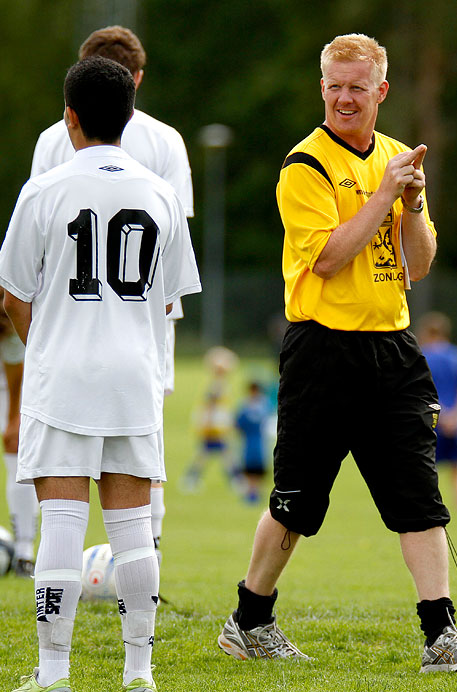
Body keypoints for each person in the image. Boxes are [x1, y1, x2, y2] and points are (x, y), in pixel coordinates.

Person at [216, 33, 457, 674]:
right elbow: (331, 259)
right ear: (322, 88)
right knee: (297, 502)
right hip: (322, 351)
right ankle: (250, 617)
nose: (345, 97)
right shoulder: (304, 166)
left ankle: (441, 634)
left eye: (357, 87)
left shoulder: (397, 159)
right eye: (335, 85)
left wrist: (414, 202)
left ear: (381, 91)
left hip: (394, 349)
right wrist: (383, 197)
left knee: (419, 497)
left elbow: (418, 264)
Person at [0, 56, 201, 692]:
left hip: (64, 379)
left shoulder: (44, 189)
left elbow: (12, 295)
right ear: (130, 115)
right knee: (135, 532)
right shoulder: (160, 191)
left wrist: (50, 342)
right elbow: (170, 298)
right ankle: (138, 673)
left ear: (70, 118)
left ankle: (54, 672)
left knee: (60, 523)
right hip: (134, 379)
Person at [30, 25, 195, 553]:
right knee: (145, 439)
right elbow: (174, 250)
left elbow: (33, 247)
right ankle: (150, 550)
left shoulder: (53, 139)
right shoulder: (165, 139)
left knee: (60, 456)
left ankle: (48, 569)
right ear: (137, 81)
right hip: (141, 322)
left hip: (64, 320)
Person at [418, 312, 457, 510]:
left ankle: (428, 508)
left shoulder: (422, 356)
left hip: (432, 421)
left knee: (424, 469)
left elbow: (422, 391)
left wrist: (442, 416)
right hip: (456, 423)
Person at [0, 289, 39, 577]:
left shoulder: (7, 322)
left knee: (17, 453)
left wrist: (14, 418)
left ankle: (25, 551)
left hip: (9, 388)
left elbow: (15, 371)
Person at [181, 346, 237, 493]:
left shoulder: (219, 384)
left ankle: (191, 479)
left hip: (215, 426)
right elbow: (211, 406)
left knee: (209, 455)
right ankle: (236, 481)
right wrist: (208, 423)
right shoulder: (217, 385)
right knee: (221, 455)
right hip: (214, 427)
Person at [235, 381, 270, 504]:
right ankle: (252, 492)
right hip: (251, 441)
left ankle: (254, 492)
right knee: (250, 466)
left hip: (257, 441)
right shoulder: (258, 405)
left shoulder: (251, 406)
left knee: (257, 466)